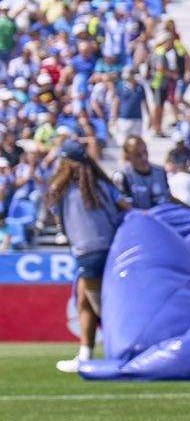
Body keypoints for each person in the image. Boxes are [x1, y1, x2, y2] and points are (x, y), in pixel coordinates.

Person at [44, 139, 125, 373]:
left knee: (102, 309)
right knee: (83, 300)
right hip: (111, 248)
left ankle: (119, 352)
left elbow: (59, 219)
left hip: (87, 253)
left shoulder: (60, 189)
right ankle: (85, 355)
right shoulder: (101, 184)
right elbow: (124, 208)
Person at [116, 135, 173, 210]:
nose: (144, 158)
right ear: (127, 156)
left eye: (145, 152)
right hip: (140, 218)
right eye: (137, 155)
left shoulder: (160, 172)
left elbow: (168, 198)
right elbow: (127, 208)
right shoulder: (123, 176)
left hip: (165, 215)